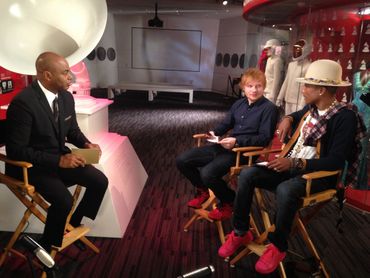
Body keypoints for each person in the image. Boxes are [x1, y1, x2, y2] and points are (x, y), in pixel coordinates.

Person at [218, 59, 366, 274]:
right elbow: (298, 115)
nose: (303, 89)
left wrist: (295, 162)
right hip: (293, 167)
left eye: (307, 85)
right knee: (248, 174)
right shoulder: (312, 107)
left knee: (285, 189)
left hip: (319, 176)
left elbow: (335, 161)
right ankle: (241, 231)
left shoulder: (345, 117)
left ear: (322, 90)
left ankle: (278, 245)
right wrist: (288, 117)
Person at [5, 52, 108, 252]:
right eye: (65, 72)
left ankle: (73, 225)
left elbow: (73, 131)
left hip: (58, 160)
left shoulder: (66, 97)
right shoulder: (23, 103)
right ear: (47, 76)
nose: (71, 77)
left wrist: (86, 144)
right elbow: (16, 151)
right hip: (32, 168)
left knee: (100, 181)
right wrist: (59, 161)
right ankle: (46, 248)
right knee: (63, 200)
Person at [176, 68, 278, 221]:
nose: (254, 90)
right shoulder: (238, 104)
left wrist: (237, 141)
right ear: (243, 87)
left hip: (244, 152)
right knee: (182, 160)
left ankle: (229, 200)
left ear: (264, 87)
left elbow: (264, 138)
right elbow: (227, 123)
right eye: (250, 86)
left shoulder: (269, 108)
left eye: (258, 86)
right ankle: (203, 190)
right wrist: (214, 133)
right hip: (225, 146)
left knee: (207, 173)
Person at [276, 39, 312, 115]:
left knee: (296, 122)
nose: (295, 52)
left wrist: (302, 104)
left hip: (298, 102)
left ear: (305, 51)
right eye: (294, 49)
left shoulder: (309, 66)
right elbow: (286, 82)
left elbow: (306, 86)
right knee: (287, 119)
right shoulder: (291, 65)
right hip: (287, 99)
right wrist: (280, 97)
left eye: (298, 50)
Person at [263, 39, 284, 103]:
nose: (266, 51)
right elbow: (266, 76)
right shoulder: (269, 59)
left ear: (274, 48)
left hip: (271, 92)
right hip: (266, 89)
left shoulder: (278, 60)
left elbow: (277, 79)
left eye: (268, 48)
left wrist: (273, 93)